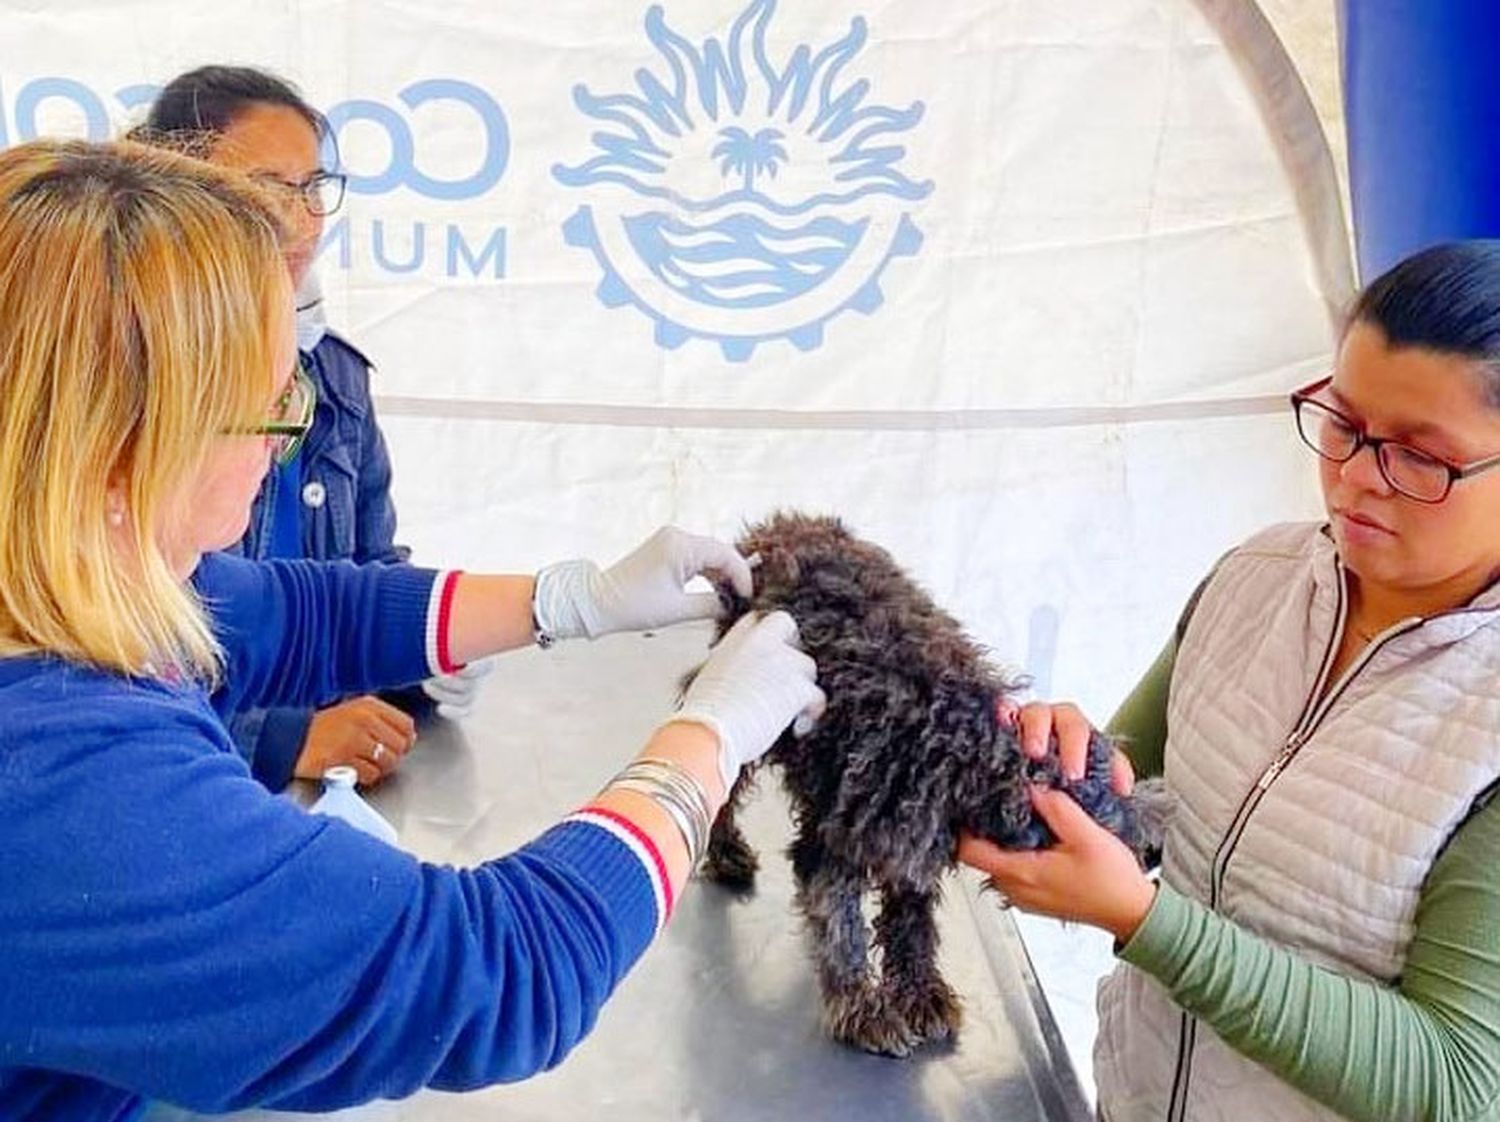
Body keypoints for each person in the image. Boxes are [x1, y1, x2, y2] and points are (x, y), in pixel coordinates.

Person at [0, 138, 824, 1121]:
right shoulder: (63, 790)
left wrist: (575, 599)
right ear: (123, 452)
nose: (290, 436)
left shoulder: (66, 572)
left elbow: (296, 613)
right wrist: (708, 740)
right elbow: (499, 973)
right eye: (268, 414)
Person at [960, 241, 1500, 1121]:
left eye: (1420, 457)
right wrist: (1064, 768)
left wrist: (1147, 924)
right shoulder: (1255, 577)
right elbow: (1136, 796)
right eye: (1344, 424)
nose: (1359, 478)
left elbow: (1459, 1082)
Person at [140, 64, 459, 793]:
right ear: (172, 189)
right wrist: (282, 739)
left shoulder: (335, 375)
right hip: (190, 786)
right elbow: (107, 651)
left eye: (313, 187)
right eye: (267, 186)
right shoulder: (122, 381)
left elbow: (365, 570)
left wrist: (438, 647)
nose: (301, 218)